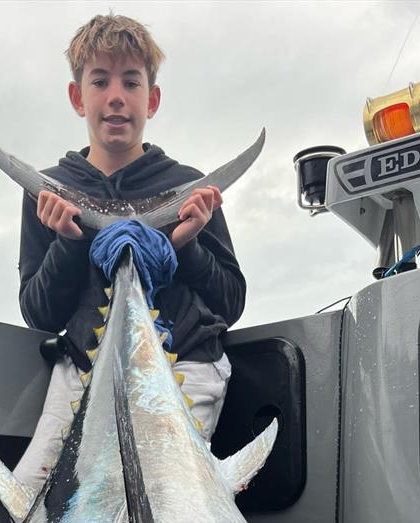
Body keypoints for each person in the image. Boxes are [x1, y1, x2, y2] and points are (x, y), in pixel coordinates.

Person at [13, 13, 246, 493]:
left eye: (130, 82)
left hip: (184, 363)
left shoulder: (189, 188)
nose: (115, 95)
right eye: (99, 81)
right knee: (30, 493)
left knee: (168, 499)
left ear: (151, 99)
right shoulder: (49, 191)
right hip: (85, 367)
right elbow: (38, 311)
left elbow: (232, 303)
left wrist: (186, 246)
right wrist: (69, 243)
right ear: (78, 97)